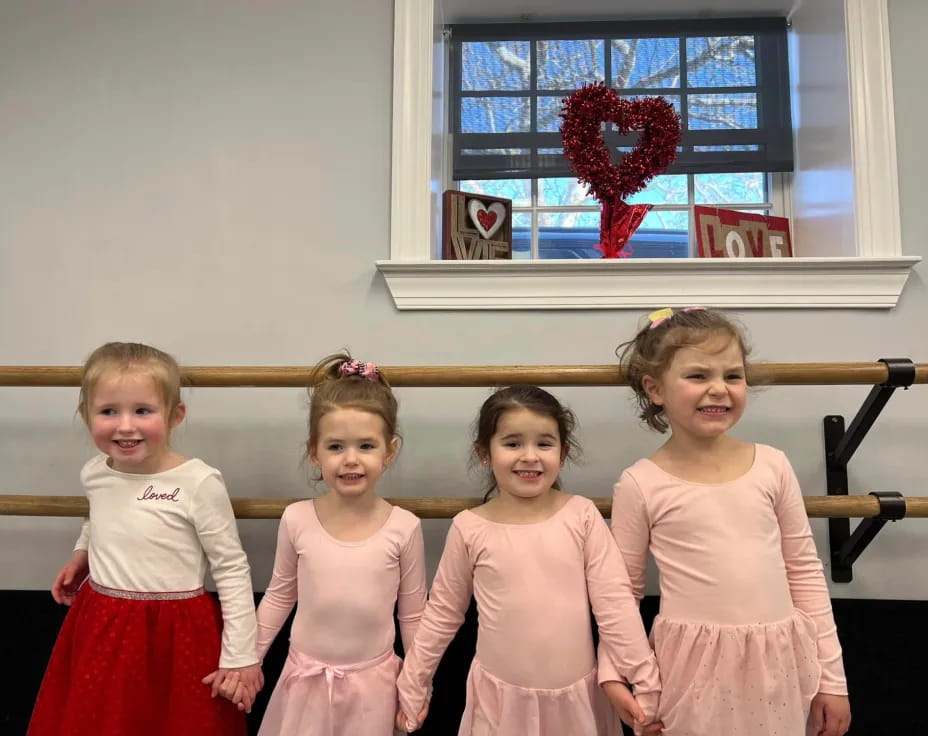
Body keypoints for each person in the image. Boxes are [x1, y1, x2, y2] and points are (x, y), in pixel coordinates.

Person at [607, 307, 851, 736]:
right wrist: (614, 673)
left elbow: (805, 573)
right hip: (689, 670)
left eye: (733, 376)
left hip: (778, 661)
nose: (719, 389)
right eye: (698, 376)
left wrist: (833, 679)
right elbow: (619, 594)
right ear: (655, 388)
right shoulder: (640, 483)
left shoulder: (772, 466)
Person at [396, 385, 662, 736]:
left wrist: (646, 683)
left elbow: (614, 607)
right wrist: (412, 689)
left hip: (576, 701)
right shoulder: (470, 527)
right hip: (500, 705)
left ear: (563, 453)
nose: (529, 456)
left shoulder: (581, 516)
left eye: (544, 443)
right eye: (512, 443)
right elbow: (442, 615)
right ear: (484, 453)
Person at [29, 341, 260, 736]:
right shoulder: (95, 472)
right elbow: (98, 517)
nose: (125, 425)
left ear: (175, 415)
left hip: (178, 631)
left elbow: (231, 568)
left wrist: (240, 655)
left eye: (142, 410)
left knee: (174, 722)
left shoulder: (198, 483)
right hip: (102, 621)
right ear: (86, 415)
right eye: (108, 411)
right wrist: (81, 554)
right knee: (103, 719)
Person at [222, 354, 427, 736]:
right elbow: (280, 596)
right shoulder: (297, 519)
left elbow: (413, 615)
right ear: (314, 451)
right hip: (304, 681)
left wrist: (416, 684)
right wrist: (245, 659)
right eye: (335, 447)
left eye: (366, 446)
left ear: (390, 450)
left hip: (374, 686)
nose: (351, 459)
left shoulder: (404, 527)